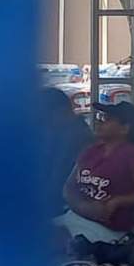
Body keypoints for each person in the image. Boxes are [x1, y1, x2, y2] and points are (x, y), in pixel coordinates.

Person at [56, 101, 134, 252]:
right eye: (100, 117)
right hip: (75, 218)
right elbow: (69, 187)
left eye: (107, 119)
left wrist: (119, 201)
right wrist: (83, 207)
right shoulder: (92, 151)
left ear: (125, 128)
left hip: (105, 233)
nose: (99, 122)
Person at [41, 88, 92, 218]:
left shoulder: (77, 137)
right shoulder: (59, 132)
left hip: (63, 208)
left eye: (44, 116)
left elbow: (58, 179)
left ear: (60, 111)